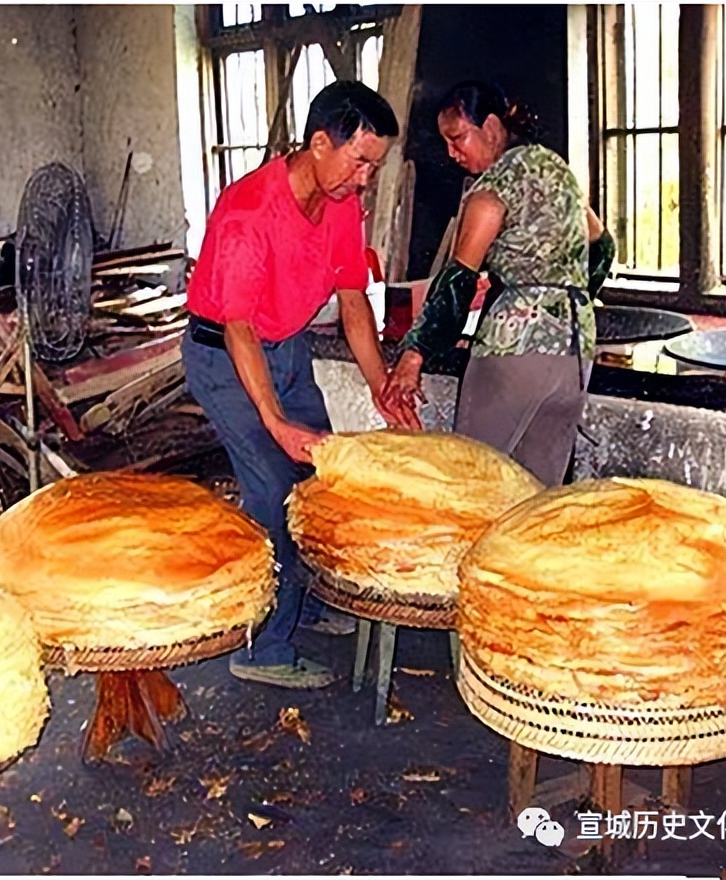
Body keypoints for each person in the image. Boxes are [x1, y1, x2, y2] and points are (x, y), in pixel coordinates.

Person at [183, 80, 415, 689]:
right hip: (226, 357)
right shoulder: (249, 211)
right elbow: (237, 328)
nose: (365, 179)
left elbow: (353, 300)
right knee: (273, 488)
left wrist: (381, 384)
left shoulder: (340, 204)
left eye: (374, 166)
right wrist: (275, 421)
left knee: (318, 476)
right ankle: (262, 647)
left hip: (286, 348)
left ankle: (301, 605)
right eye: (359, 162)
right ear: (318, 143)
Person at [382, 81, 616, 487]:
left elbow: (457, 282)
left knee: (475, 479)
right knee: (537, 492)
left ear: (490, 128)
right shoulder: (556, 172)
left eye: (457, 138)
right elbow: (604, 247)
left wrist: (413, 356)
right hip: (574, 353)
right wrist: (564, 298)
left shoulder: (493, 189)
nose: (452, 153)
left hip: (515, 351)